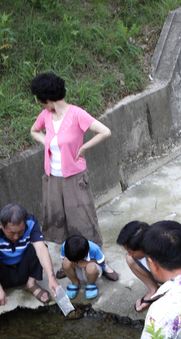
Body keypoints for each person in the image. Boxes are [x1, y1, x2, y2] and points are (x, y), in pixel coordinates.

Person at [29, 71, 119, 281]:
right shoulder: (46, 117)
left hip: (75, 178)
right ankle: (69, 259)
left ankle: (102, 263)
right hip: (53, 178)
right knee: (61, 221)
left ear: (47, 98)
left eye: (41, 100)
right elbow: (34, 131)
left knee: (86, 221)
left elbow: (105, 131)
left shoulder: (77, 114)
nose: (41, 105)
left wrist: (84, 147)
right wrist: (47, 145)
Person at [116, 220, 181, 313]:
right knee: (130, 259)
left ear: (142, 248)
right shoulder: (146, 252)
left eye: (131, 252)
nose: (129, 254)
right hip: (170, 276)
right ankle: (154, 290)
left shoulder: (180, 258)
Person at [0, 203, 60, 313]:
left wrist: (52, 278)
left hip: (24, 269)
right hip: (3, 272)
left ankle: (31, 284)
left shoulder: (31, 222)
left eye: (21, 231)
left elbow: (41, 250)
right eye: (11, 233)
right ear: (0, 225)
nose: (16, 237)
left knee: (39, 248)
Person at [61, 234, 105, 301]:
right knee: (65, 262)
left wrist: (87, 262)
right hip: (77, 268)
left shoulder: (94, 249)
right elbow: (64, 258)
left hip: (92, 270)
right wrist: (72, 261)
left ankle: (90, 283)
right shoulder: (66, 246)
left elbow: (102, 263)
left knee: (91, 267)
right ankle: (75, 282)